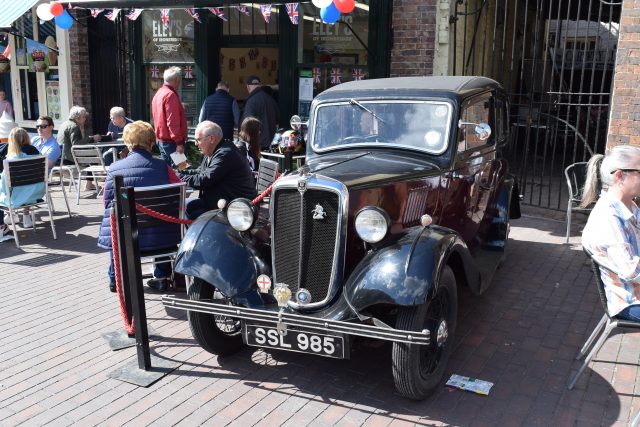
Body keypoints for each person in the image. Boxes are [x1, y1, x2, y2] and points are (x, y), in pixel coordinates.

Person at [97, 121, 182, 293]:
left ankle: (115, 278)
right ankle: (161, 276)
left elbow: (107, 202)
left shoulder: (114, 169)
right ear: (151, 142)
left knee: (114, 223)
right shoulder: (163, 167)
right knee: (161, 217)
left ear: (128, 143)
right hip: (164, 239)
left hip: (128, 240)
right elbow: (179, 194)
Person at [582, 145, 640, 322]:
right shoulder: (609, 216)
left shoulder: (629, 205)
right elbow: (632, 272)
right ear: (620, 176)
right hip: (630, 301)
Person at [178, 121, 256, 220]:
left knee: (187, 214)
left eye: (198, 140)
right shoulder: (212, 151)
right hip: (221, 199)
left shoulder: (225, 153)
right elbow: (201, 172)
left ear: (211, 139)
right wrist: (179, 174)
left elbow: (204, 180)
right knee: (186, 208)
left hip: (236, 207)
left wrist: (178, 176)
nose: (195, 144)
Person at [0, 127, 44, 238]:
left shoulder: (12, 158)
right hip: (37, 194)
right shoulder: (37, 153)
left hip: (16, 199)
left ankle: (5, 221)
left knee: (8, 187)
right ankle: (26, 216)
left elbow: (5, 185)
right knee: (26, 185)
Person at [57, 106, 102, 190]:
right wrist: (92, 138)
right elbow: (76, 144)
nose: (85, 119)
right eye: (84, 117)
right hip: (70, 158)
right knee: (94, 158)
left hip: (61, 158)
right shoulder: (74, 127)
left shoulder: (64, 124)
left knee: (90, 156)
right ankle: (89, 185)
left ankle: (89, 184)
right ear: (77, 118)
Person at [152, 66, 187, 166]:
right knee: (182, 170)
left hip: (162, 140)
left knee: (167, 172)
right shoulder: (170, 95)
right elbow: (172, 122)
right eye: (179, 79)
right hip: (172, 142)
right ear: (177, 79)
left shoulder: (158, 93)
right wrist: (179, 143)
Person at [241, 75, 279, 150]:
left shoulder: (251, 101)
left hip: (257, 142)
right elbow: (278, 118)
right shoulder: (271, 99)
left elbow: (248, 124)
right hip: (271, 141)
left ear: (248, 87)